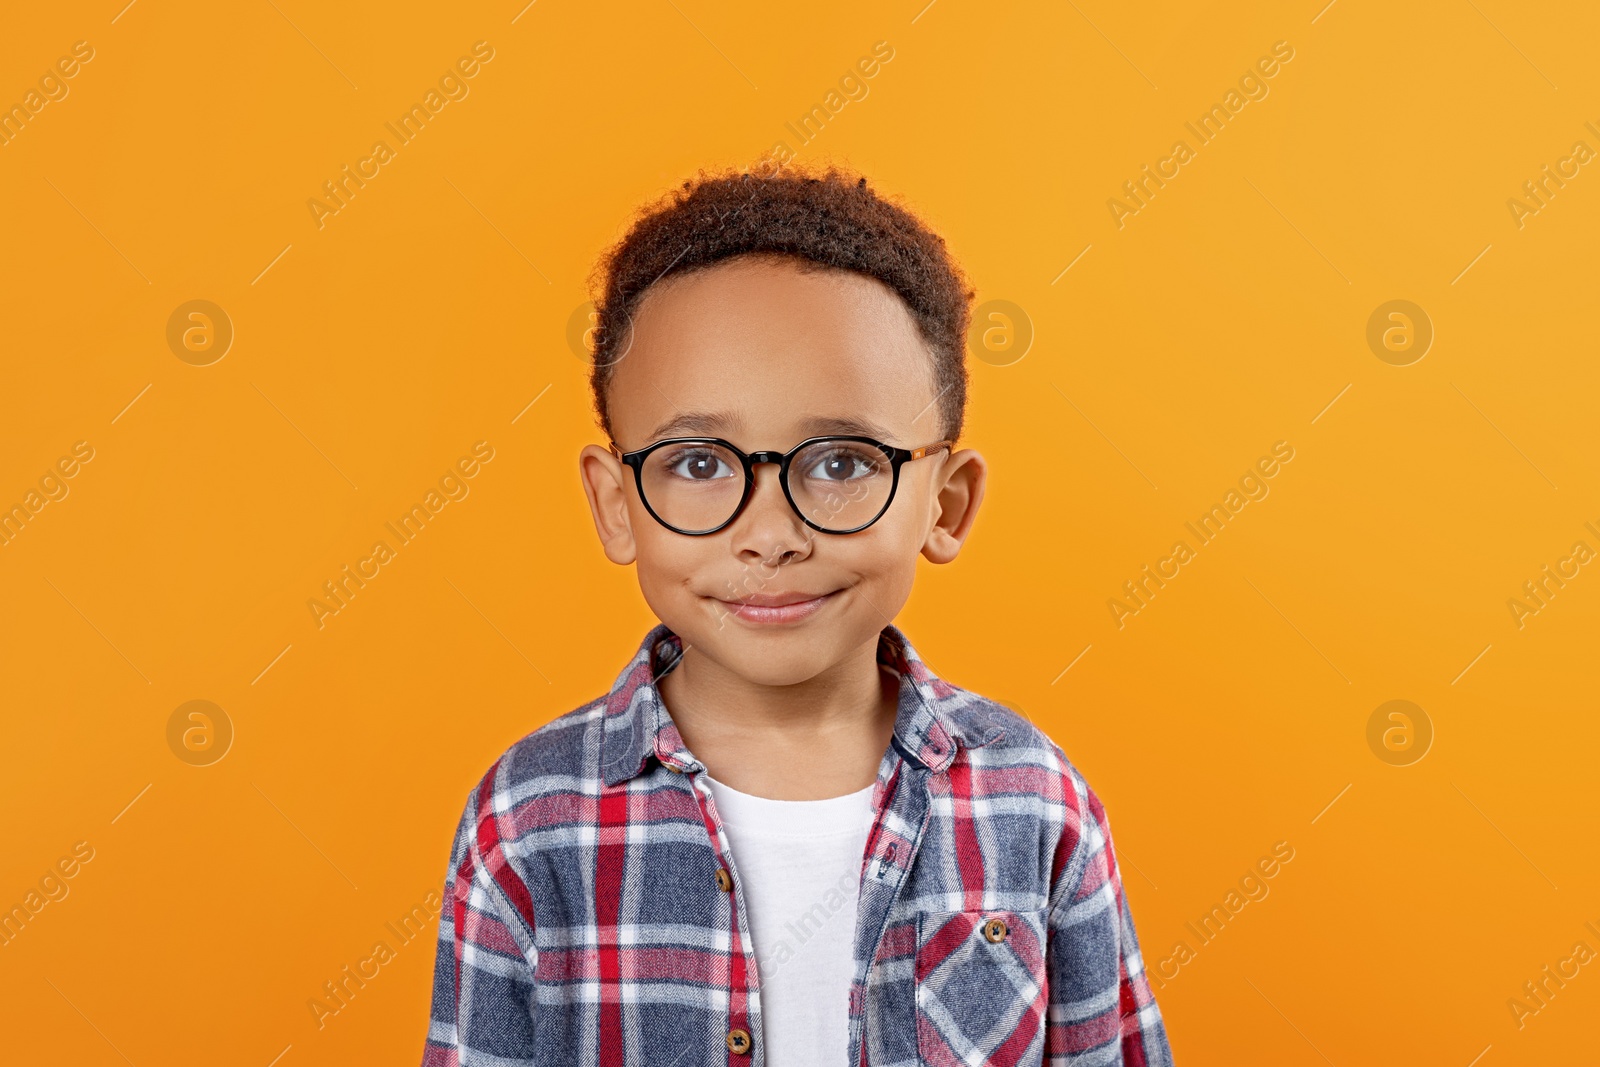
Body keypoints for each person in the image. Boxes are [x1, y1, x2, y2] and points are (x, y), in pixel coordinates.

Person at [421, 162, 1174, 1066]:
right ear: (615, 503)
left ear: (946, 502)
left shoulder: (1036, 805)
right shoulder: (530, 820)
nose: (770, 533)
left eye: (843, 461)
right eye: (699, 464)